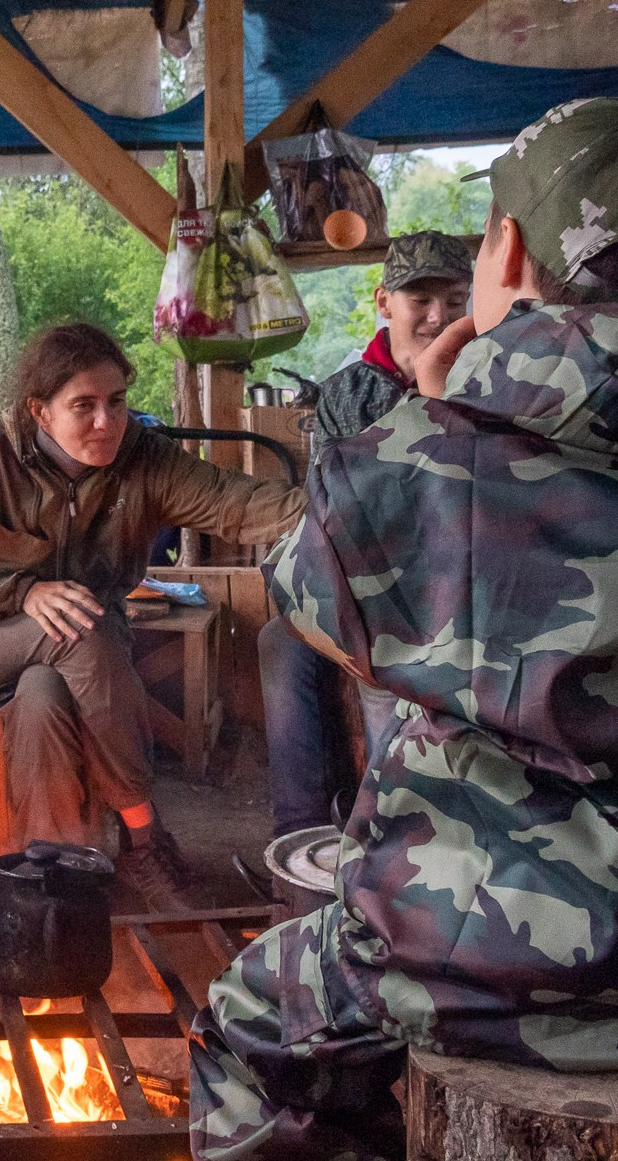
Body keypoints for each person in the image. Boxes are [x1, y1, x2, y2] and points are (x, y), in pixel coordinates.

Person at [191, 97, 618, 1160]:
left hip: (466, 969)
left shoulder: (429, 458)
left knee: (246, 1024)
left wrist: (432, 409)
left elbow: (309, 602)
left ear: (503, 251)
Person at [0, 323, 305, 910]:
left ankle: (58, 883)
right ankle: (144, 837)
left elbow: (236, 502)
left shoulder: (144, 458)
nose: (106, 421)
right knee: (79, 632)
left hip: (85, 633)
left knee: (43, 698)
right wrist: (23, 593)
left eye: (116, 401)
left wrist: (338, 502)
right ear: (40, 412)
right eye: (83, 406)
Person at [260, 231, 474, 835]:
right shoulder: (347, 396)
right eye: (420, 301)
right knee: (284, 641)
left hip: (469, 589)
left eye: (455, 301)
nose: (438, 317)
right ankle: (302, 831)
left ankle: (398, 836)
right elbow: (335, 516)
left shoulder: (494, 378)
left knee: (398, 676)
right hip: (375, 589)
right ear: (384, 302)